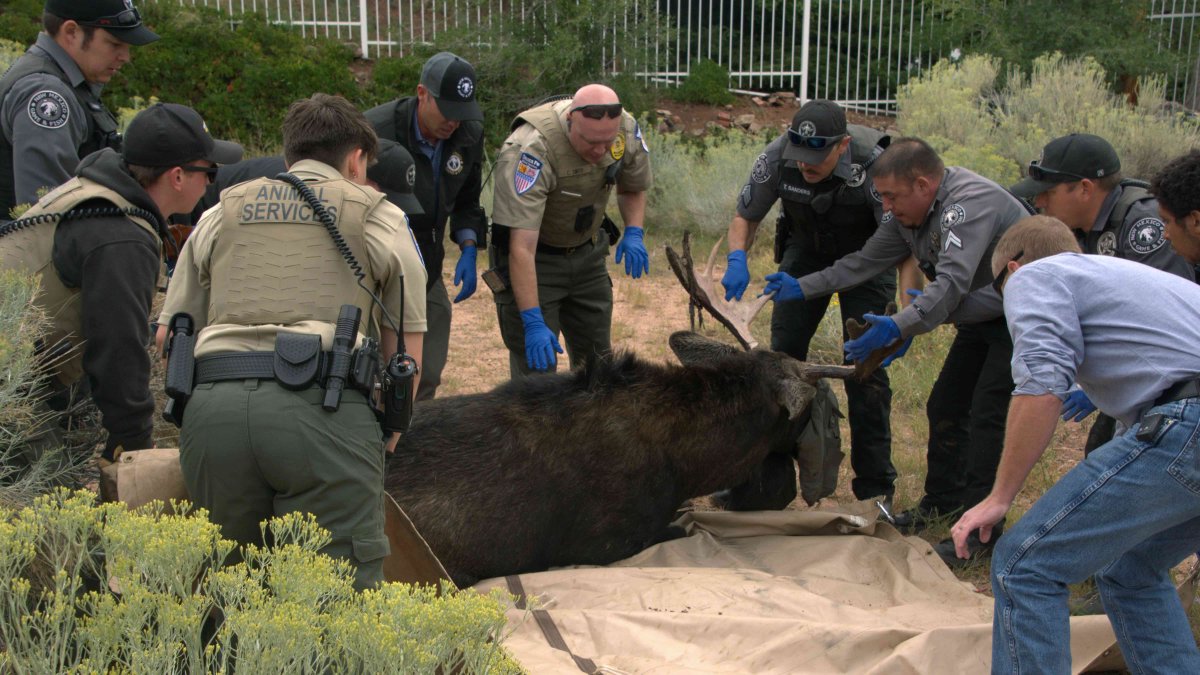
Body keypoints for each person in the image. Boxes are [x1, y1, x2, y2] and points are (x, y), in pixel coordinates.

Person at [160, 93, 427, 590]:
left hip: (213, 411)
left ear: (289, 157)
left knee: (225, 590)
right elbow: (404, 345)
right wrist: (391, 428)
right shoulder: (377, 214)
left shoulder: (224, 210)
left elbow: (171, 331)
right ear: (356, 158)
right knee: (332, 596)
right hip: (323, 408)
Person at [760, 137, 1031, 565]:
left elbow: (951, 285)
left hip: (1022, 317)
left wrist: (898, 326)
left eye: (891, 196)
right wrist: (802, 286)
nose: (885, 207)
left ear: (923, 184)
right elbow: (863, 262)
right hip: (984, 314)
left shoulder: (967, 205)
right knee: (946, 405)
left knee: (987, 415)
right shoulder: (908, 213)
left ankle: (983, 536)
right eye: (881, 196)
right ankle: (941, 505)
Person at [949, 212, 1200, 673]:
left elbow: (1040, 386)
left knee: (1026, 564)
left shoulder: (1035, 277)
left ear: (1011, 269)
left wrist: (1000, 497)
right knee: (1131, 569)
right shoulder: (1126, 277)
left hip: (1190, 423)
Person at [0, 102, 242, 483]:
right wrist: (133, 448)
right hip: (11, 388)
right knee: (57, 517)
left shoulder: (95, 194)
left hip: (20, 375)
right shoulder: (121, 234)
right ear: (177, 177)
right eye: (208, 172)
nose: (211, 183)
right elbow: (117, 348)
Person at [721, 99, 897, 507]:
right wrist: (737, 257)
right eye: (800, 156)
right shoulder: (777, 156)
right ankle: (766, 480)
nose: (804, 165)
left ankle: (875, 491)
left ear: (843, 145)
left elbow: (889, 245)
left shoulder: (875, 165)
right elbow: (745, 216)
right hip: (807, 248)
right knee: (781, 366)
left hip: (869, 258)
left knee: (865, 370)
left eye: (816, 157)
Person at [1011, 133, 1195, 454]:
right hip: (1144, 375)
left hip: (1176, 382)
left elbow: (1169, 321)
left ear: (1085, 189)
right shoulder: (1084, 231)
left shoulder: (1143, 227)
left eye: (1048, 193)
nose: (1040, 203)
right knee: (1100, 452)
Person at [490, 83, 652, 376]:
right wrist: (532, 321)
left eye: (607, 142)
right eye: (591, 142)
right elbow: (521, 247)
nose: (600, 150)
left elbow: (632, 186)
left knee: (598, 367)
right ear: (570, 121)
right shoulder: (532, 149)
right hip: (536, 260)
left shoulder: (625, 129)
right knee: (536, 380)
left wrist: (634, 231)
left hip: (587, 255)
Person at [364, 51, 486, 400]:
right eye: (446, 110)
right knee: (372, 370)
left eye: (462, 113)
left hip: (426, 265)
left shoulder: (468, 133)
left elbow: (467, 199)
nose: (454, 122)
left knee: (425, 372)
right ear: (422, 94)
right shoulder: (375, 131)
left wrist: (467, 247)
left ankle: (413, 443)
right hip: (377, 264)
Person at [1, 0, 159, 217]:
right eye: (114, 44)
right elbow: (47, 211)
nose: (125, 57)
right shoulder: (46, 94)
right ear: (72, 32)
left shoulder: (66, 82)